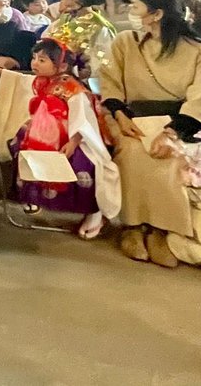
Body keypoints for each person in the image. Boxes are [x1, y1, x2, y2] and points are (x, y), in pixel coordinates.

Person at [100, 0, 201, 266]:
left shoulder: (195, 50)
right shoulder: (125, 42)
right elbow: (110, 81)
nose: (131, 12)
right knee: (131, 152)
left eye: (136, 7)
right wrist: (120, 115)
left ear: (156, 14)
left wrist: (172, 132)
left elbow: (199, 96)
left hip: (178, 122)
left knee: (170, 157)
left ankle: (161, 230)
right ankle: (131, 227)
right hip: (130, 118)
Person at [9, 38, 119, 240]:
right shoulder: (42, 81)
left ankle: (94, 211)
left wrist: (74, 141)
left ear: (62, 66)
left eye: (42, 60)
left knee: (82, 163)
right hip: (43, 131)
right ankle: (32, 197)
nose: (35, 63)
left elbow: (83, 119)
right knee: (19, 139)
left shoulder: (72, 87)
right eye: (34, 58)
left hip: (70, 135)